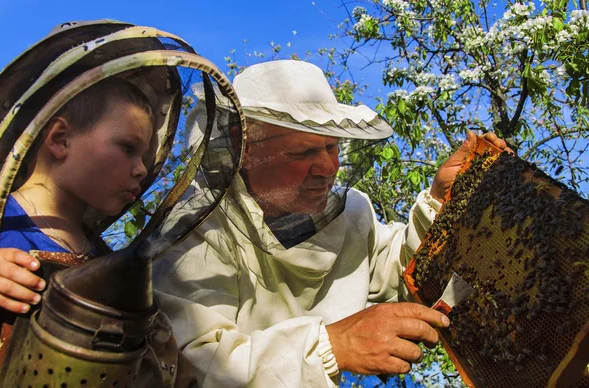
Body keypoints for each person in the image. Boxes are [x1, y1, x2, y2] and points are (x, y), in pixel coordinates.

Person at [153, 60, 508, 387]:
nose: (327, 168)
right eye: (301, 152)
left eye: (332, 148)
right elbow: (192, 363)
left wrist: (440, 199)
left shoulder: (352, 212)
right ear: (242, 147)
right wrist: (334, 345)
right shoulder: (196, 230)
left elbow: (404, 273)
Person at [0, 77, 154, 314]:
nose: (142, 170)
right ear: (60, 139)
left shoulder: (103, 258)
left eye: (144, 157)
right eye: (129, 147)